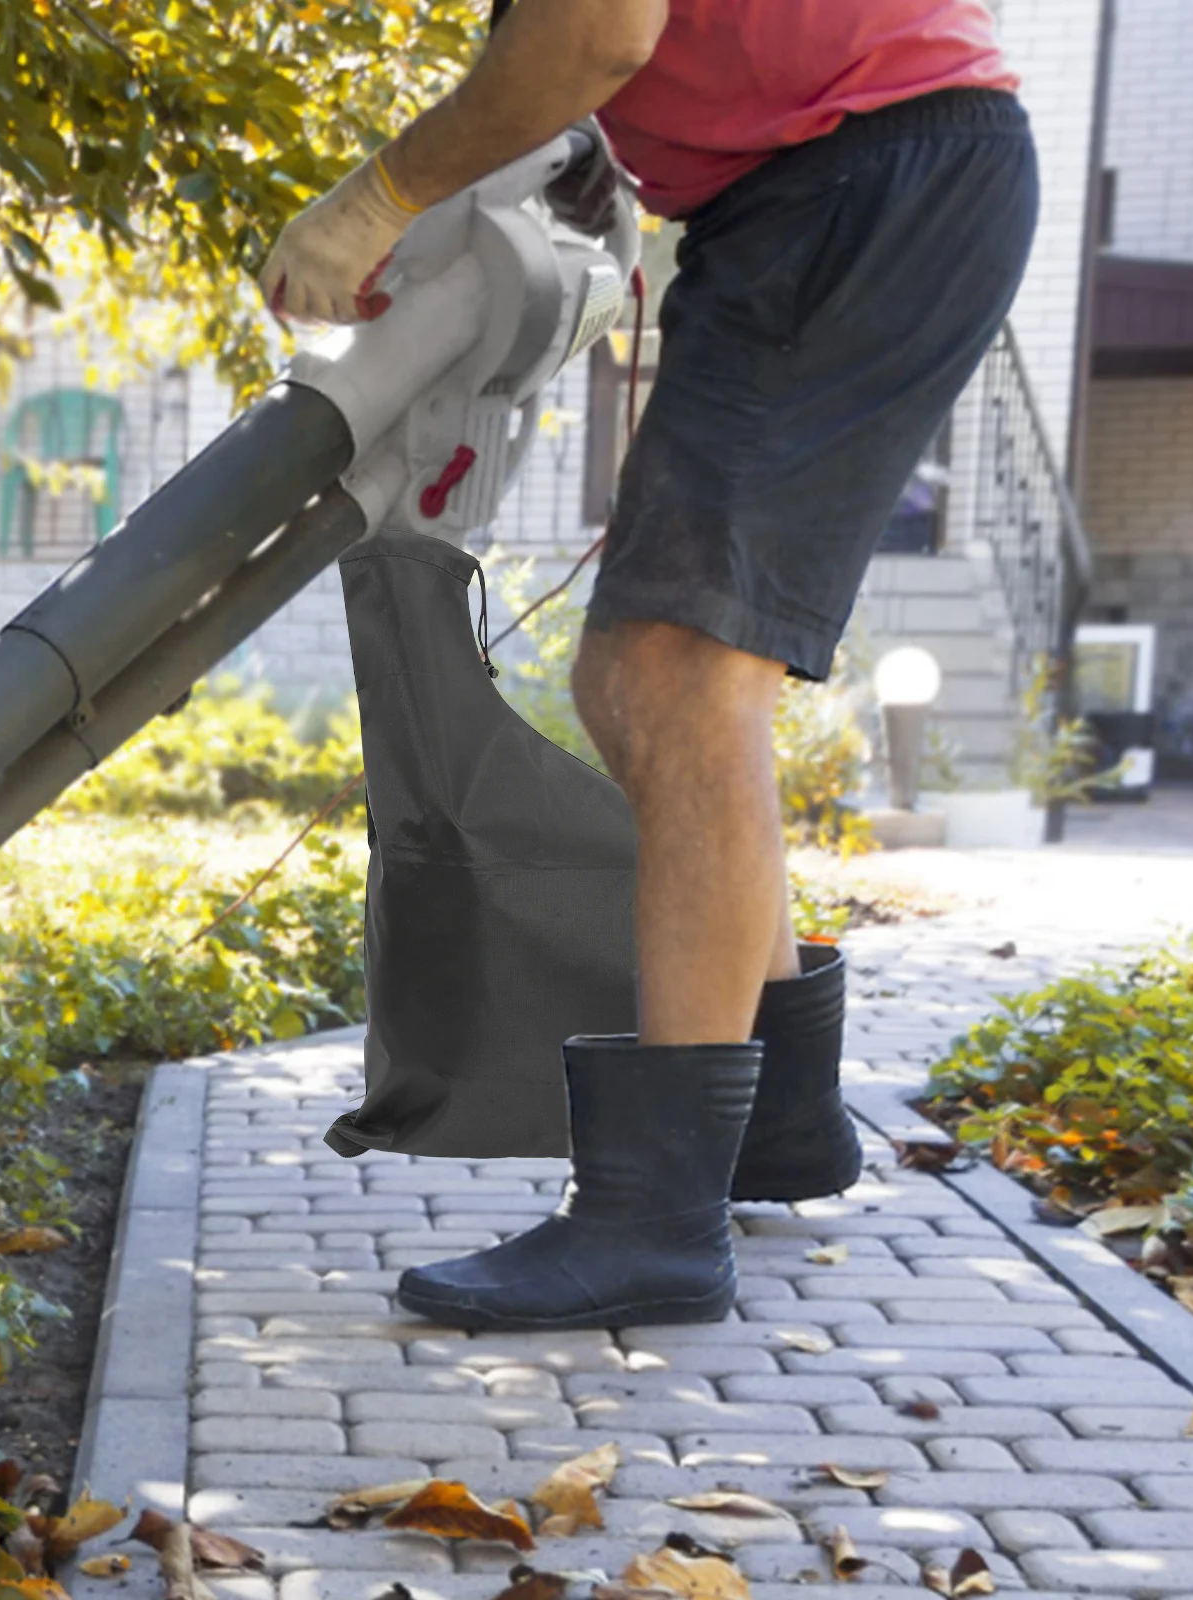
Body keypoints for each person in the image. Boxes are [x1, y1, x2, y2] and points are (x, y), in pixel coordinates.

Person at [259, 0, 1037, 1331]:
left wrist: (373, 198)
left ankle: (654, 1222)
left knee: (678, 680)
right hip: (837, 187)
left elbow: (596, 34)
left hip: (857, 178)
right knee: (641, 681)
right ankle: (778, 1118)